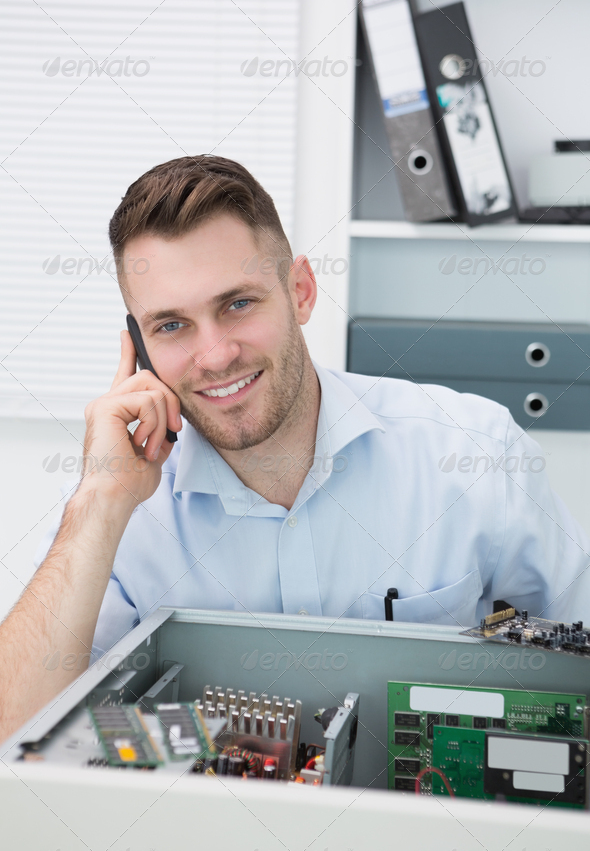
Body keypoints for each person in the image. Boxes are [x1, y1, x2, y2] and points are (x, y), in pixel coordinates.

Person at [1, 155, 589, 743]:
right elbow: (13, 736)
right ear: (140, 345)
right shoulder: (118, 506)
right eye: (172, 326)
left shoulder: (475, 454)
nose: (215, 356)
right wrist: (101, 502)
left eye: (238, 304)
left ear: (301, 291)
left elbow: (578, 661)